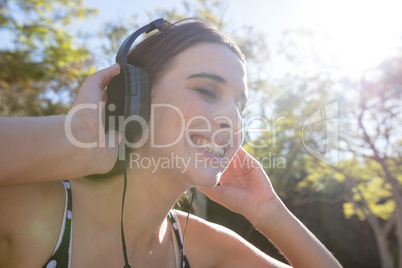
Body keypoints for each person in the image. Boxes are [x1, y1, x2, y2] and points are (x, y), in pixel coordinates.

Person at [0, 18, 342, 268]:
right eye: (207, 91)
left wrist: (268, 211)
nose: (234, 120)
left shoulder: (201, 245)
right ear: (134, 99)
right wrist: (78, 143)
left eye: (241, 106)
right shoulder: (29, 210)